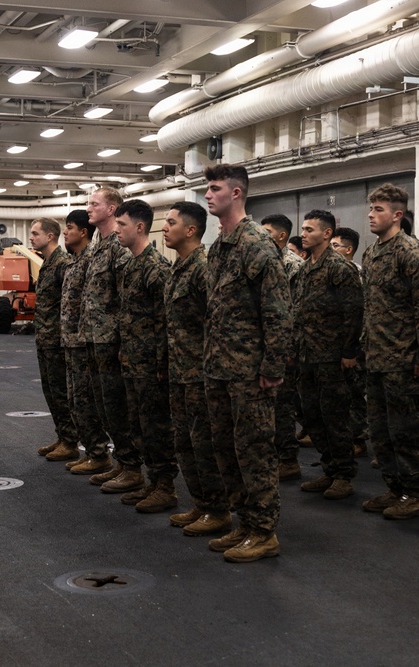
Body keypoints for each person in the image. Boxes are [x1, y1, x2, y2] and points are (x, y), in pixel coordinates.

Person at [203, 164, 291, 563]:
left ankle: (263, 531)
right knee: (226, 449)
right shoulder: (220, 245)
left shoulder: (256, 243)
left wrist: (272, 367)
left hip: (249, 371)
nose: (208, 195)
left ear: (236, 193)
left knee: (255, 451)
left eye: (215, 188)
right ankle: (244, 522)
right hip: (219, 366)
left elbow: (277, 311)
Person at [360, 184, 419, 519]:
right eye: (371, 208)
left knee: (406, 431)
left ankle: (413, 494)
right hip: (377, 356)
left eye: (378, 209)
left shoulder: (411, 253)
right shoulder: (371, 253)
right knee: (380, 430)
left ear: (397, 215)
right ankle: (394, 489)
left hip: (404, 359)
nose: (371, 215)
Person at [163, 201, 231, 535]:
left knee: (205, 444)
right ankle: (201, 504)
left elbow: (217, 323)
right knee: (184, 443)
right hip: (180, 370)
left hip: (200, 374)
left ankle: (218, 509)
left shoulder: (203, 268)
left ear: (191, 230)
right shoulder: (179, 266)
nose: (165, 228)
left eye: (171, 222)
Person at [116, 199, 178, 512]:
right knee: (138, 426)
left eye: (122, 224)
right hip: (132, 361)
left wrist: (162, 364)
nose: (116, 230)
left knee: (156, 427)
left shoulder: (156, 268)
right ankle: (151, 481)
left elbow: (165, 322)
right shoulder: (131, 265)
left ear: (140, 227)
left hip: (151, 365)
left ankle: (165, 487)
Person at [296, 209, 364, 500]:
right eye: (303, 229)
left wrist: (349, 351)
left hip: (332, 357)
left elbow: (354, 312)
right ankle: (329, 468)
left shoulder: (340, 268)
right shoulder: (305, 269)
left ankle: (343, 475)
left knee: (335, 417)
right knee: (312, 417)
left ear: (326, 234)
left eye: (309, 230)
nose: (303, 234)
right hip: (307, 355)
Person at [80, 187, 141, 493]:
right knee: (104, 406)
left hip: (111, 341)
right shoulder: (97, 245)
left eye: (94, 203)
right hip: (94, 337)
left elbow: (127, 297)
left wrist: (123, 343)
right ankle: (121, 462)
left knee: (118, 407)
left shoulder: (119, 246)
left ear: (112, 209)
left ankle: (132, 467)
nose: (88, 208)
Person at [58, 210, 114, 475]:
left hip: (84, 342)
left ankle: (99, 453)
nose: (65, 232)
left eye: (69, 227)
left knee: (86, 401)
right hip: (71, 340)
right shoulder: (74, 260)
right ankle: (91, 451)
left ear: (83, 232)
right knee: (75, 400)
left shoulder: (91, 258)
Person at [30, 218, 82, 462]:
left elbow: (70, 304)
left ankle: (70, 441)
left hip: (58, 341)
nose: (31, 238)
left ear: (50, 236)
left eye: (35, 233)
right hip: (45, 339)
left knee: (61, 392)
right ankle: (62, 437)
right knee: (50, 391)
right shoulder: (47, 263)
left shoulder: (62, 263)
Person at [260, 214, 304, 481]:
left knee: (283, 406)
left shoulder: (293, 265)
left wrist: (288, 349)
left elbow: (294, 311)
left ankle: (288, 459)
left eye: (266, 232)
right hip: (264, 347)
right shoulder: (263, 259)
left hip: (284, 347)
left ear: (281, 236)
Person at [332, 225, 369, 459]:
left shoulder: (356, 273)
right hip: (335, 342)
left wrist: (353, 347)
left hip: (354, 343)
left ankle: (358, 439)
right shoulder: (330, 270)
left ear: (348, 249)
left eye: (336, 246)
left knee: (355, 393)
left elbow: (358, 311)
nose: (331, 249)